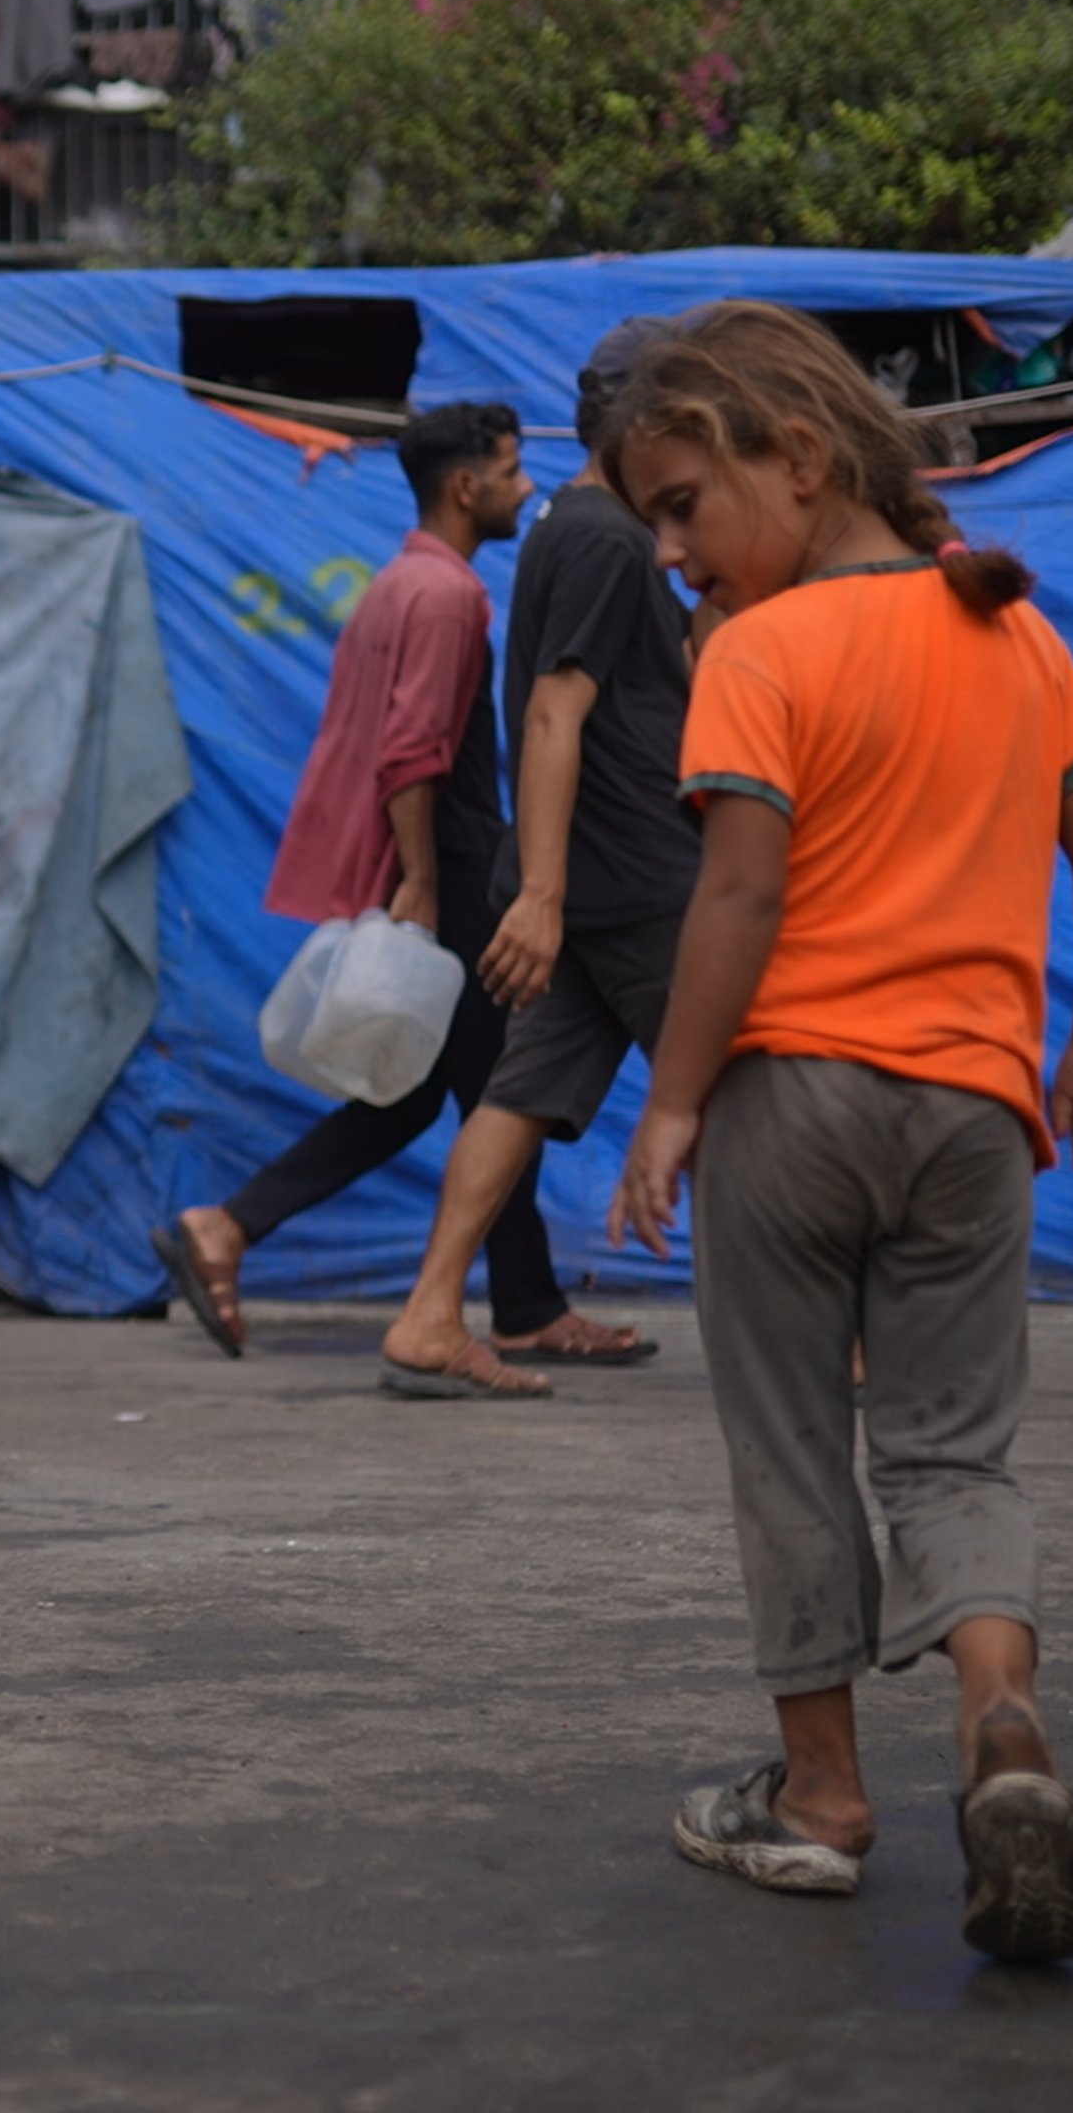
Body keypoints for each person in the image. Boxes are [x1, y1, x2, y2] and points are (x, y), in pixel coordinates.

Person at [600, 302, 1073, 1965]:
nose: (675, 554)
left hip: (795, 1099)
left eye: (686, 506)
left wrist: (677, 1098)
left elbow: (743, 891)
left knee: (788, 1443)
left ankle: (825, 1799)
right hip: (980, 1113)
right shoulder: (1013, 635)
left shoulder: (761, 655)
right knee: (951, 1451)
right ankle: (1006, 1738)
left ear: (799, 457)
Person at [151, 401, 640, 1392]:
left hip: (442, 861)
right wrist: (420, 878)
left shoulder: (395, 583)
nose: (521, 487)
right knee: (504, 1085)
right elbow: (410, 752)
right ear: (465, 488)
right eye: (508, 471)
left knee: (449, 1092)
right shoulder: (449, 596)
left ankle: (237, 1226)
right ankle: (523, 1306)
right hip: (452, 866)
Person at [374, 322, 691, 1392]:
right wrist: (543, 896)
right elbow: (558, 712)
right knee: (748, 1091)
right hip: (634, 877)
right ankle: (832, 1328)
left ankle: (428, 1317)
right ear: (642, 430)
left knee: (515, 1097)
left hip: (587, 879)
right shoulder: (605, 538)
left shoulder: (564, 517)